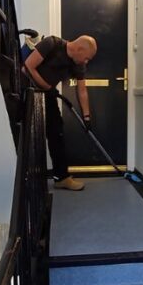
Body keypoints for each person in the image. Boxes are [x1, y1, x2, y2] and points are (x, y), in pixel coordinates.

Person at [23, 35, 97, 191]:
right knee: (28, 135)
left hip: (47, 92)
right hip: (28, 91)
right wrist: (48, 88)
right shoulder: (52, 44)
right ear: (79, 49)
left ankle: (61, 178)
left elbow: (82, 90)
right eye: (86, 58)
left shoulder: (78, 65)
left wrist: (87, 117)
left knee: (56, 132)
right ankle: (25, 177)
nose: (86, 62)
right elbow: (28, 66)